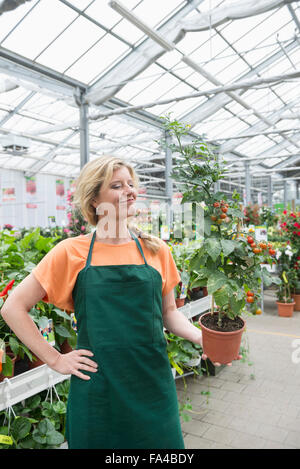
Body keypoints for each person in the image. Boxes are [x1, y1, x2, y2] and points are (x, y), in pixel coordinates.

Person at [0, 155, 238, 449]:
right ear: (94, 198)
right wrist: (55, 358)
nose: (129, 191)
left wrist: (205, 339)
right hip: (97, 388)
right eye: (116, 185)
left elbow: (170, 313)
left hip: (151, 383)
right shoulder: (70, 252)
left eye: (131, 184)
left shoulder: (155, 250)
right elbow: (12, 307)